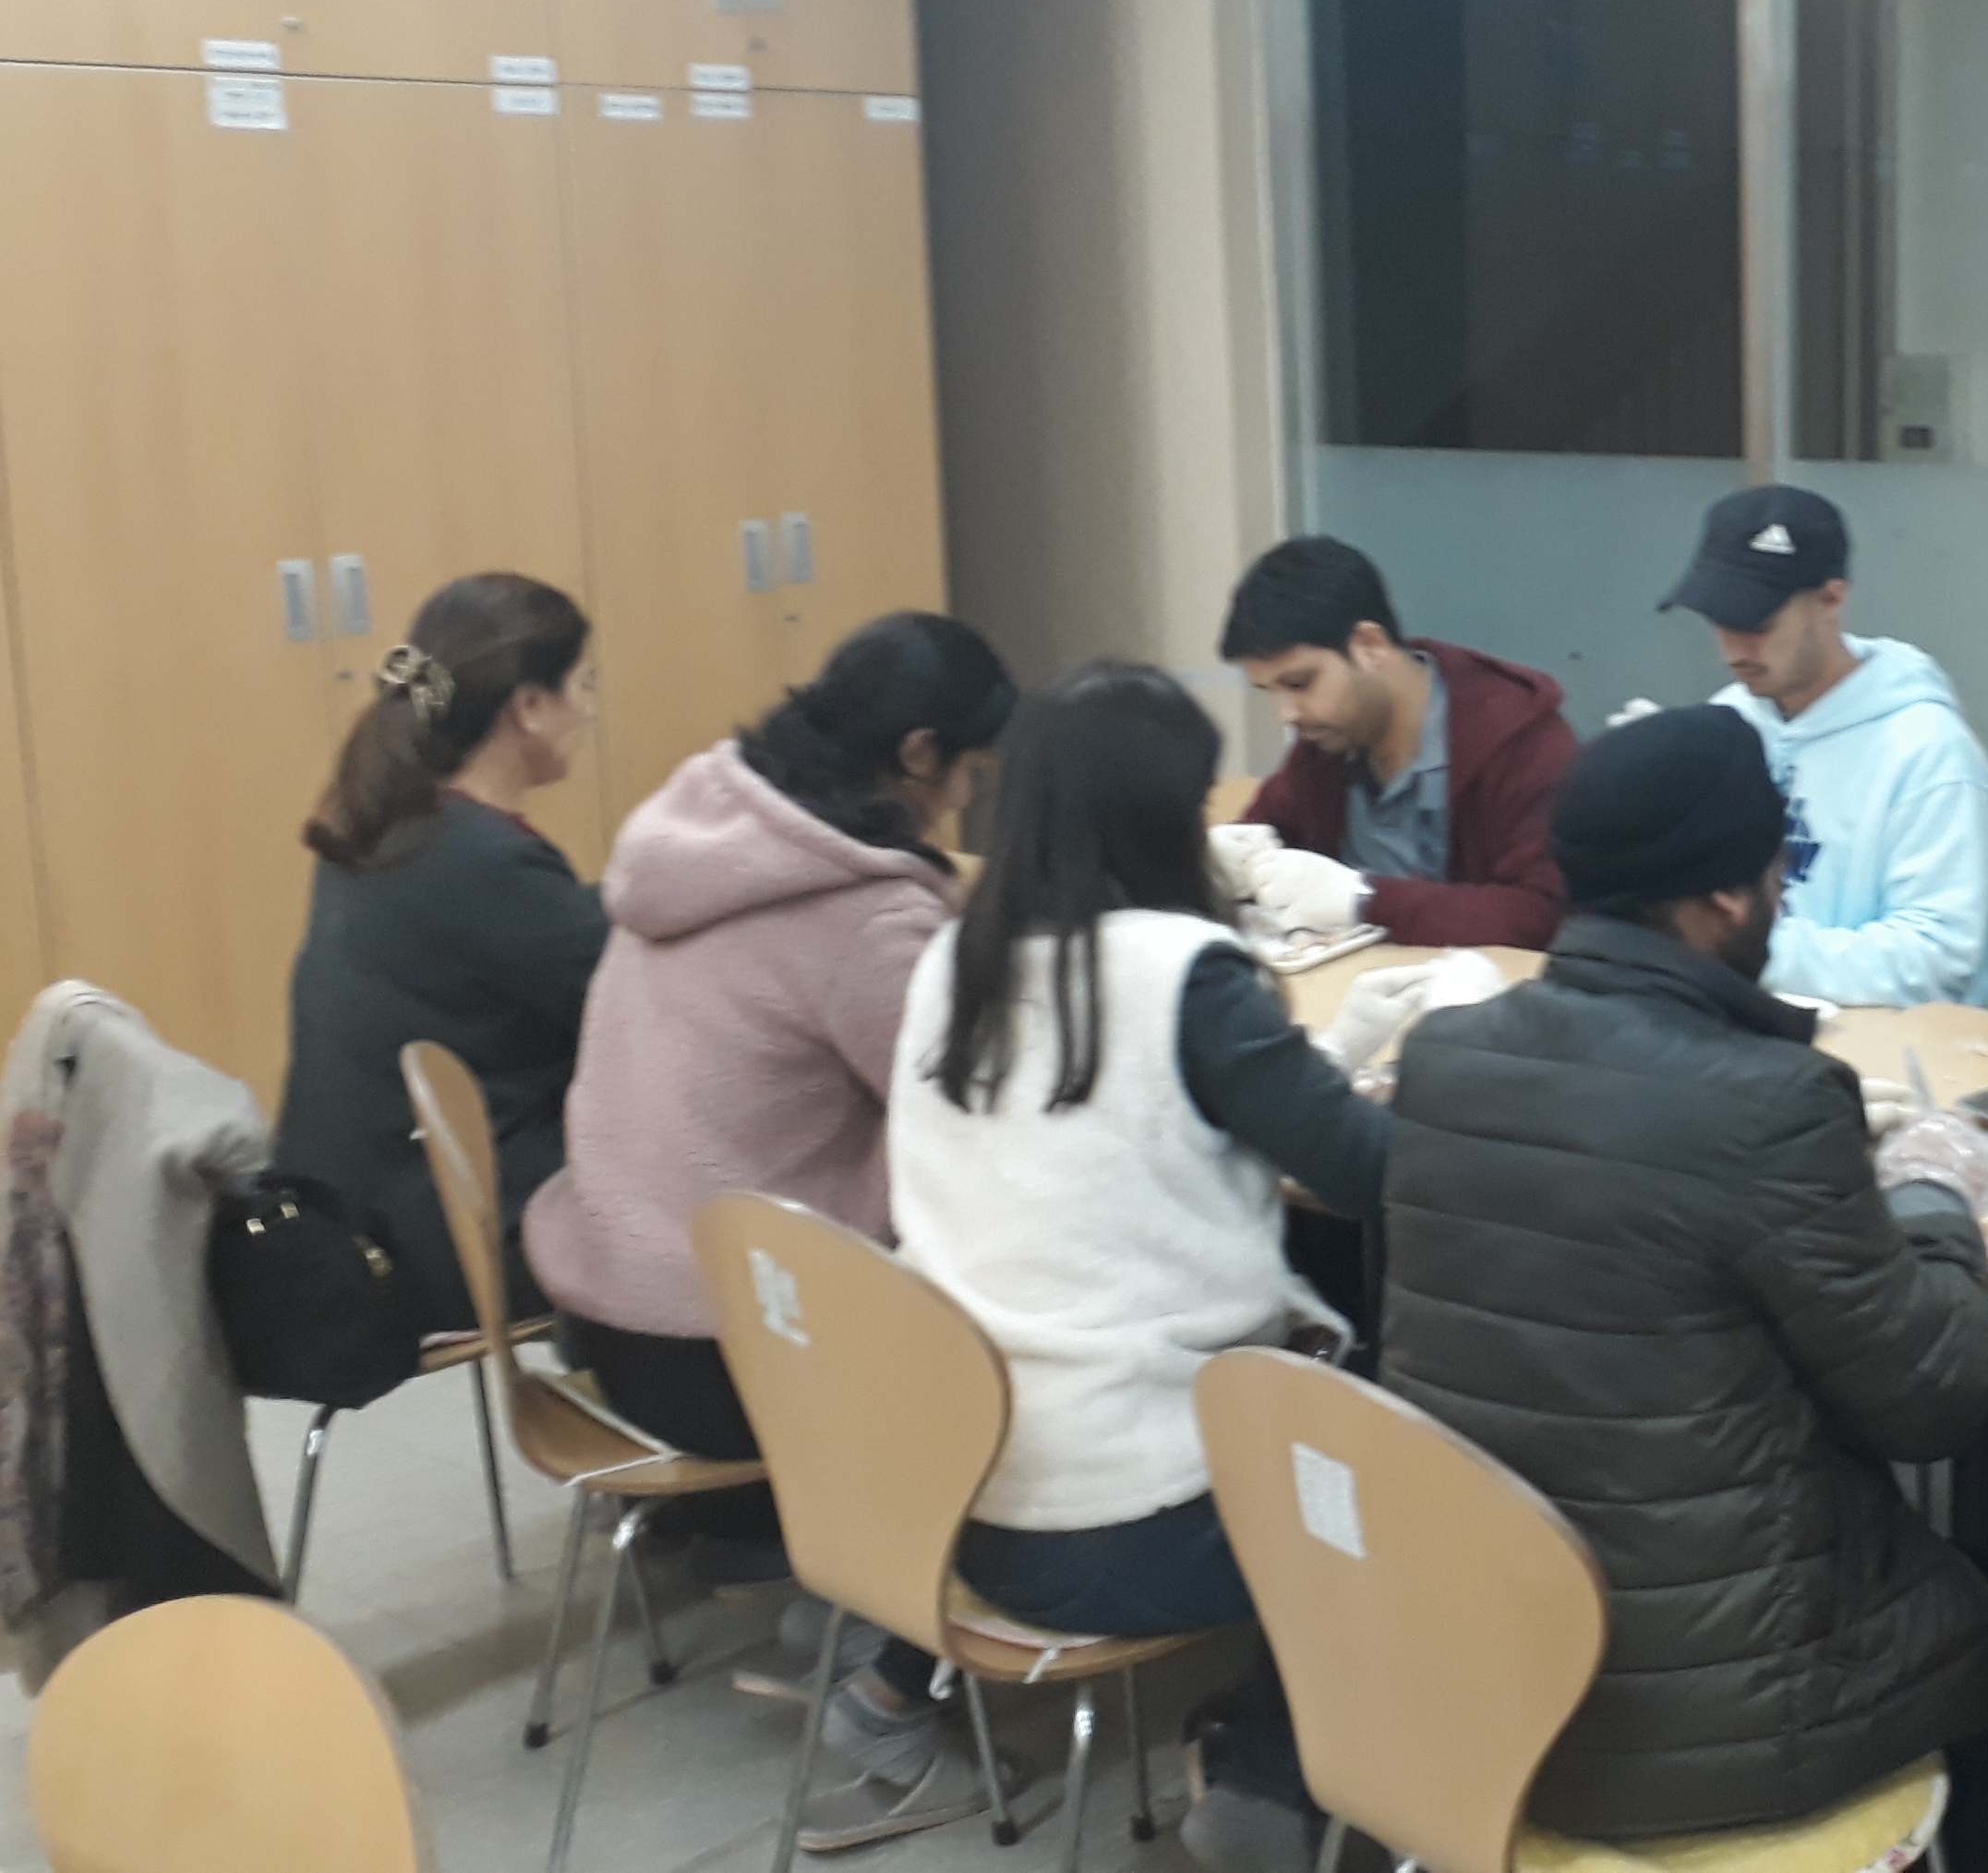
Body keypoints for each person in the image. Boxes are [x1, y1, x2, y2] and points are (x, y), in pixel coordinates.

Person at [1374, 706, 1988, 1859]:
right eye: (1776, 875)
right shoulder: (1769, 1102)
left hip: (1486, 1665)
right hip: (1717, 1722)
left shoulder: (1441, 1058)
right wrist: (1932, 1191)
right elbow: (1934, 1404)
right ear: (1727, 896)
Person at [801, 660, 1417, 1853]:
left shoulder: (953, 960)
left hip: (946, 1498)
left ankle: (891, 1686)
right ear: (1165, 814)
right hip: (1129, 1528)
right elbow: (1365, 1170)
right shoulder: (1185, 976)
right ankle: (1267, 1771)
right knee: (1423, 1459)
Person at [524, 613, 1016, 1581]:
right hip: (738, 1360)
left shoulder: (708, 831)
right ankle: (889, 1597)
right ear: (919, 755)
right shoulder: (863, 916)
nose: (964, 799)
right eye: (967, 771)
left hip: (609, 1324)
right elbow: (967, 1115)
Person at [276, 573, 609, 1338]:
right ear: (529, 706)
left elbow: (553, 940)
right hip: (439, 1244)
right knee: (715, 1187)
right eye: (583, 686)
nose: (589, 712)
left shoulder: (392, 826)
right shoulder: (484, 861)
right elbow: (625, 1001)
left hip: (366, 1217)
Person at [1660, 485, 1988, 1007]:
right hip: (1728, 1022)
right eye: (1718, 620)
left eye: (1756, 623)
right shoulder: (1726, 719)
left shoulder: (1929, 753)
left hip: (1882, 1044)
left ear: (1831, 599)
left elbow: (1935, 962)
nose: (1733, 649)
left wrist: (1740, 948)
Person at [1220, 536, 1576, 949]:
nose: (1287, 714)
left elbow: (1542, 916)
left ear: (1369, 646)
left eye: (1300, 683)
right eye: (1268, 692)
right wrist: (1226, 863)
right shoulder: (1328, 739)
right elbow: (1268, 832)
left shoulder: (1521, 744)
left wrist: (1367, 900)